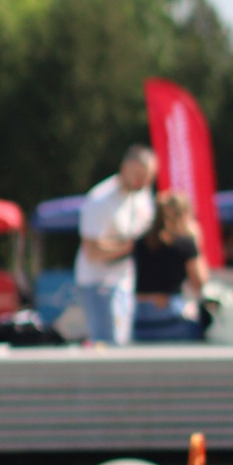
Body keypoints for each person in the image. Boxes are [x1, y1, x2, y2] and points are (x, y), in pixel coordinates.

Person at [74, 144, 157, 345]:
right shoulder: (100, 199)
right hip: (98, 282)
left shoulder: (143, 195)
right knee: (106, 344)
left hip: (124, 280)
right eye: (138, 176)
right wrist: (131, 247)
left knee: (122, 343)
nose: (142, 182)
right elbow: (92, 251)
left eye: (148, 178)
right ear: (124, 168)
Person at [133, 190, 206, 341]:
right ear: (184, 215)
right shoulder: (185, 244)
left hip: (138, 317)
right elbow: (200, 282)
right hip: (170, 315)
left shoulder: (139, 242)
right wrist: (197, 244)